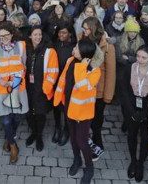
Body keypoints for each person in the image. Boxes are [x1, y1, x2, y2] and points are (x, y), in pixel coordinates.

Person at [53, 37, 102, 184]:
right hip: (69, 106)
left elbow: (82, 86)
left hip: (83, 112)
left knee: (82, 141)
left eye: (77, 48)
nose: (73, 49)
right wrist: (59, 98)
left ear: (84, 53)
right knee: (73, 139)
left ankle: (89, 167)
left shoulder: (95, 71)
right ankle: (77, 160)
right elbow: (63, 80)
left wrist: (81, 66)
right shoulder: (70, 61)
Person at [0, 22, 29, 164]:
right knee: (5, 120)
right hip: (2, 88)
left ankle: (8, 137)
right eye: (1, 35)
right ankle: (12, 145)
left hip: (17, 87)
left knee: (16, 117)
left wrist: (16, 82)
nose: (4, 37)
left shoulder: (21, 46)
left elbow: (23, 66)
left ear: (12, 34)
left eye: (7, 35)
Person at [121, 45, 148, 181]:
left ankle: (140, 163)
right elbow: (124, 89)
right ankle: (133, 160)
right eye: (138, 56)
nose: (140, 60)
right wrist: (130, 110)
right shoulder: (129, 68)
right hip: (131, 106)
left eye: (144, 57)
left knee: (145, 137)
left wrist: (145, 112)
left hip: (147, 109)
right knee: (132, 134)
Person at [81, 16, 116, 161]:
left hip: (99, 92)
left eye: (86, 29)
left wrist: (108, 95)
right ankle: (88, 141)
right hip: (85, 88)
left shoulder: (107, 47)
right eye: (83, 29)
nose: (83, 31)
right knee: (87, 118)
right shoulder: (83, 41)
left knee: (97, 120)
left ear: (93, 29)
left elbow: (111, 72)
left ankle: (98, 144)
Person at [25, 26, 59, 152]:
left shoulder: (50, 51)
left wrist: (46, 89)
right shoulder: (25, 49)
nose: (38, 37)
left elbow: (53, 72)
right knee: (28, 113)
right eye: (35, 34)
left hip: (42, 88)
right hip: (28, 88)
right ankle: (34, 132)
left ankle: (39, 136)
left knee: (40, 114)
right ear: (30, 36)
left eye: (39, 34)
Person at [52, 22, 77, 146]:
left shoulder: (74, 47)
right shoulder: (55, 44)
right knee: (56, 106)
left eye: (64, 32)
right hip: (56, 81)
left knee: (66, 108)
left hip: (68, 83)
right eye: (59, 32)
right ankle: (57, 128)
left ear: (70, 33)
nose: (61, 34)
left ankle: (67, 130)